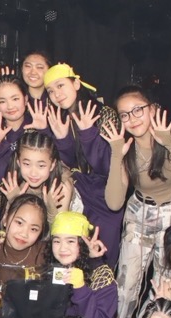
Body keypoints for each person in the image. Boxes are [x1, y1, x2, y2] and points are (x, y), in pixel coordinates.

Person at [103, 86, 171, 318]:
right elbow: (114, 202)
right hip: (140, 213)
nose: (132, 118)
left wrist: (169, 142)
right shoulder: (125, 147)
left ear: (152, 109)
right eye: (124, 114)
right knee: (127, 282)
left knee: (164, 282)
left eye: (138, 110)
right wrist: (116, 154)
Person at [40, 64, 121, 264]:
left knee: (102, 256)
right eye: (50, 91)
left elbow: (107, 167)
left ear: (76, 84)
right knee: (74, 255)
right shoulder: (61, 118)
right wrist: (62, 139)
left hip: (105, 196)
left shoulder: (104, 113)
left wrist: (88, 134)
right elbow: (71, 164)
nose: (56, 94)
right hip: (79, 192)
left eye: (60, 85)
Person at [42, 212, 118, 318]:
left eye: (70, 241)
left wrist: (81, 288)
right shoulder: (48, 268)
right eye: (57, 241)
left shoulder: (102, 277)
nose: (62, 248)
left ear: (83, 243)